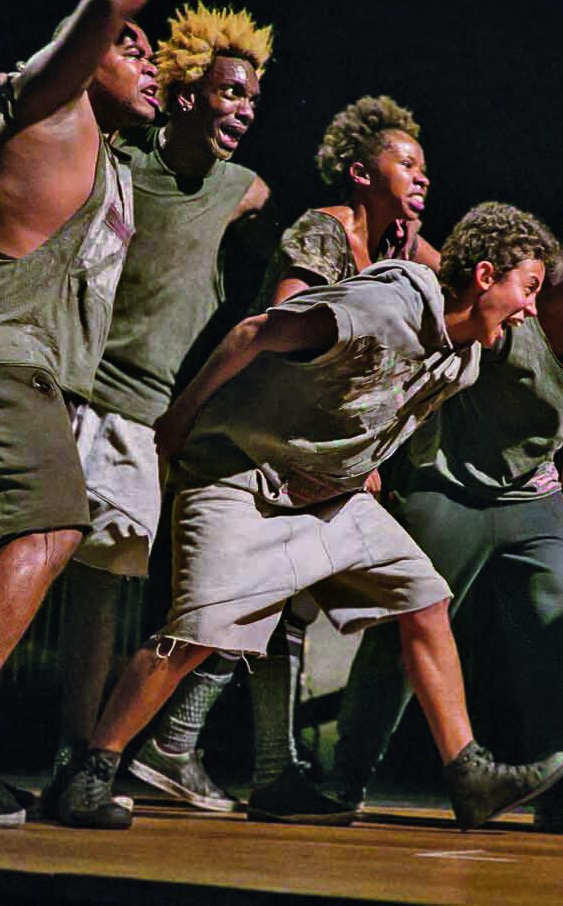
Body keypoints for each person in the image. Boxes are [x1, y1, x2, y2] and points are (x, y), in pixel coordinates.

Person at [0, 0, 267, 828]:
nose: (144, 63)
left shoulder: (102, 151)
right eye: (131, 53)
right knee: (52, 527)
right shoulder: (46, 102)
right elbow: (106, 7)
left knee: (35, 540)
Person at [51, 203, 563, 831]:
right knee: (194, 636)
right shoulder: (384, 307)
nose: (531, 308)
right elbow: (253, 335)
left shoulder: (462, 360)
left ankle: (469, 775)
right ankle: (93, 771)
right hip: (239, 473)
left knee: (425, 596)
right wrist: (178, 423)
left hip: (326, 494)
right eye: (529, 288)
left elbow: (382, 402)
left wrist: (367, 458)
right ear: (486, 276)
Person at [129, 94, 443, 822]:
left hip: (312, 456)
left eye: (425, 164)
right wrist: (186, 418)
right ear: (361, 174)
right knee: (249, 600)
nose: (422, 174)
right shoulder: (321, 234)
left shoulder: (397, 250)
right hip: (256, 444)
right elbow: (278, 338)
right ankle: (169, 746)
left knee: (284, 602)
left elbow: (460, 288)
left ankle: (253, 764)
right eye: (406, 162)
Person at [319, 181, 563, 834]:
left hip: (535, 495)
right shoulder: (523, 293)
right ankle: (345, 776)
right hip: (450, 484)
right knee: (406, 624)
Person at [44, 2, 275, 816]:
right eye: (231, 93)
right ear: (185, 95)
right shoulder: (115, 163)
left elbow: (263, 202)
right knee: (17, 570)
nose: (245, 110)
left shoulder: (240, 189)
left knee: (104, 586)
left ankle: (79, 757)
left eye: (253, 98)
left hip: (141, 417)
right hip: (69, 391)